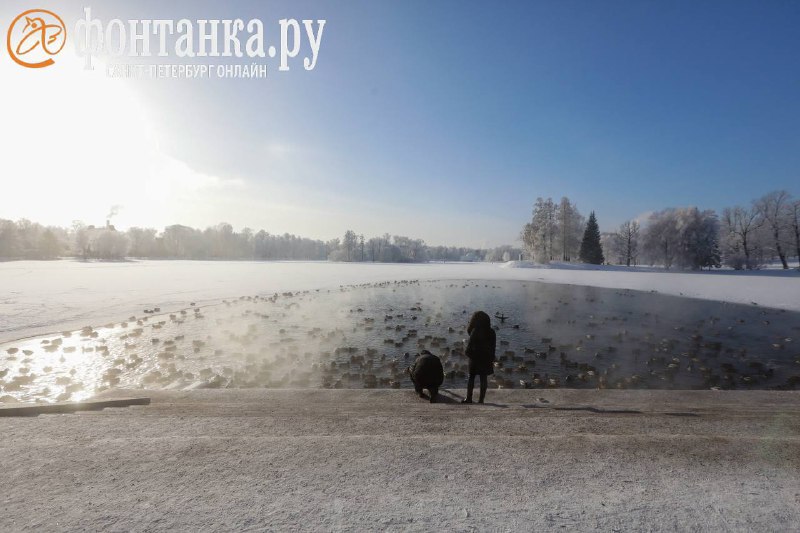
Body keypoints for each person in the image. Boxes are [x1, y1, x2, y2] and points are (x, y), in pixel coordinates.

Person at [462, 310, 496, 404]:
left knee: (471, 377)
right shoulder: (492, 332)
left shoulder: (475, 331)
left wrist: (468, 355)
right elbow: (493, 348)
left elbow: (469, 348)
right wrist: (491, 358)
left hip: (475, 358)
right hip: (486, 359)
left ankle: (469, 398)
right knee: (483, 378)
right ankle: (481, 400)